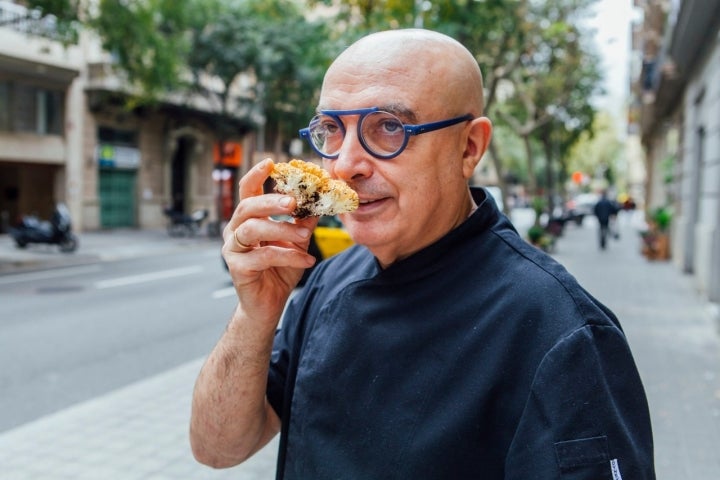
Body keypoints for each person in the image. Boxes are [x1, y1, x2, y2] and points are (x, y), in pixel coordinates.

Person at [190, 29, 656, 479]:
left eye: (389, 127)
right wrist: (256, 314)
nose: (346, 165)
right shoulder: (325, 280)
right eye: (331, 129)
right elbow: (217, 448)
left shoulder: (564, 334)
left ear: (468, 148)